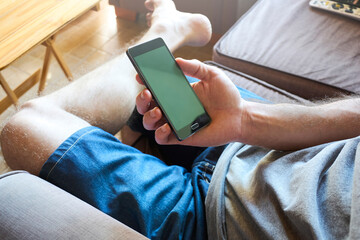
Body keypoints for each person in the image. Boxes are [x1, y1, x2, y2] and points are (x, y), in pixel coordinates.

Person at [1, 0, 359, 239]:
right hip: (277, 146)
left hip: (219, 218)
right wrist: (248, 119)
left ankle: (168, 31)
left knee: (27, 125)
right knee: (149, 104)